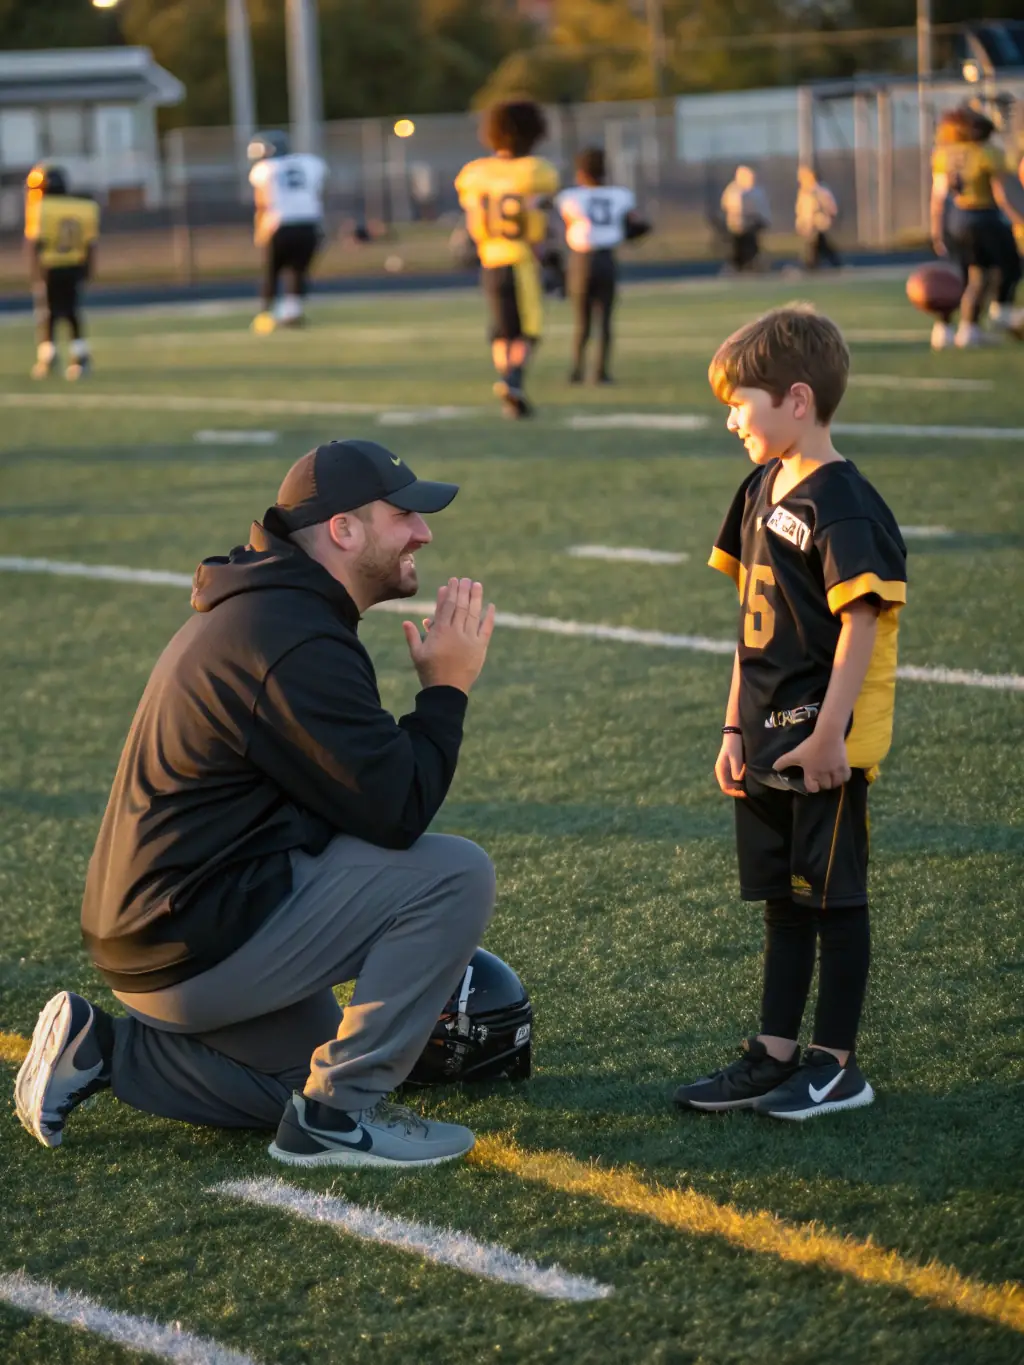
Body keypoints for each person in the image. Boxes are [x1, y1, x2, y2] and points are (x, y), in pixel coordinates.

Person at [15, 439, 499, 1168]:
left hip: (162, 932)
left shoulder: (274, 609)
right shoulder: (291, 635)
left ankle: (105, 1048)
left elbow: (347, 803)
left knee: (291, 1077)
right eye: (404, 515)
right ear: (344, 529)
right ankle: (335, 1120)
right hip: (193, 937)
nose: (424, 533)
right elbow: (398, 812)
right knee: (454, 874)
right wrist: (445, 690)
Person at [673, 306, 907, 1122]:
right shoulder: (758, 485)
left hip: (822, 741)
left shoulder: (844, 502)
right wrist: (735, 728)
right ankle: (774, 1055)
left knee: (834, 900)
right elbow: (749, 623)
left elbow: (863, 622)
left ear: (797, 399)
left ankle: (837, 1064)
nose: (732, 417)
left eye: (742, 401)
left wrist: (831, 732)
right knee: (783, 900)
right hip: (767, 734)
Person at [455, 101, 559, 419]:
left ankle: (511, 393)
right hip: (521, 260)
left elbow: (473, 219)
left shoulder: (474, 174)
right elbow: (539, 219)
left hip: (489, 260)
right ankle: (511, 381)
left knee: (501, 331)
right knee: (526, 332)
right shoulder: (537, 171)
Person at [554, 147, 651, 385]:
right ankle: (601, 372)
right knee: (605, 319)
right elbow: (634, 224)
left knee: (582, 320)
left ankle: (576, 371)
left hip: (581, 260)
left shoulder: (570, 197)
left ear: (581, 173)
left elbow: (565, 222)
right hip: (606, 259)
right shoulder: (620, 195)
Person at [930, 106, 1024, 349]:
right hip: (983, 216)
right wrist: (1018, 218)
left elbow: (938, 198)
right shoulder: (988, 152)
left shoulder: (944, 154)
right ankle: (1000, 310)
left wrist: (937, 231)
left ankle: (951, 329)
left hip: (954, 219)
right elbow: (1000, 193)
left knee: (962, 275)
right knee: (1009, 265)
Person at [23, 164, 99, 381]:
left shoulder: (39, 209)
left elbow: (34, 244)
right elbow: (90, 244)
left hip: (51, 266)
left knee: (48, 313)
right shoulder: (83, 207)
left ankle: (48, 357)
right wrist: (89, 269)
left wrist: (34, 272)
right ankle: (81, 357)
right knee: (73, 312)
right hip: (75, 266)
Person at [248, 130, 327, 334]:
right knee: (298, 270)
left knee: (272, 271)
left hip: (280, 224)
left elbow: (263, 203)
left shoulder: (265, 169)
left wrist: (260, 231)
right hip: (310, 223)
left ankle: (265, 315)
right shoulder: (310, 163)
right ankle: (292, 313)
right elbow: (317, 191)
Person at [720, 166, 770, 273]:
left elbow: (762, 208)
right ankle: (736, 267)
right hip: (738, 225)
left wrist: (761, 220)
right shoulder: (734, 191)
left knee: (752, 246)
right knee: (739, 248)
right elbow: (732, 207)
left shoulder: (756, 191)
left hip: (752, 225)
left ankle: (752, 265)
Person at [795, 166, 840, 271]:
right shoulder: (803, 193)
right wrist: (801, 223)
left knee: (812, 245)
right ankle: (831, 263)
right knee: (820, 245)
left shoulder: (820, 191)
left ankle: (811, 264)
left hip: (817, 224)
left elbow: (831, 208)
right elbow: (801, 210)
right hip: (808, 225)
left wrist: (823, 218)